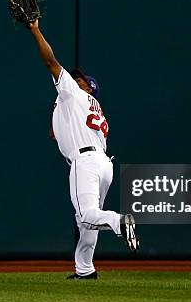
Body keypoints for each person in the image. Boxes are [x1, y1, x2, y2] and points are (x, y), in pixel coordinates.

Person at [27, 19, 139, 280]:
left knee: (88, 217)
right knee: (86, 221)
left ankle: (120, 222)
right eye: (75, 78)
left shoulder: (75, 94)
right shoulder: (87, 105)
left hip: (86, 161)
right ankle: (85, 269)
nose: (75, 80)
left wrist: (35, 29)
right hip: (103, 163)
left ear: (90, 88)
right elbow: (61, 130)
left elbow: (50, 62)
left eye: (82, 80)